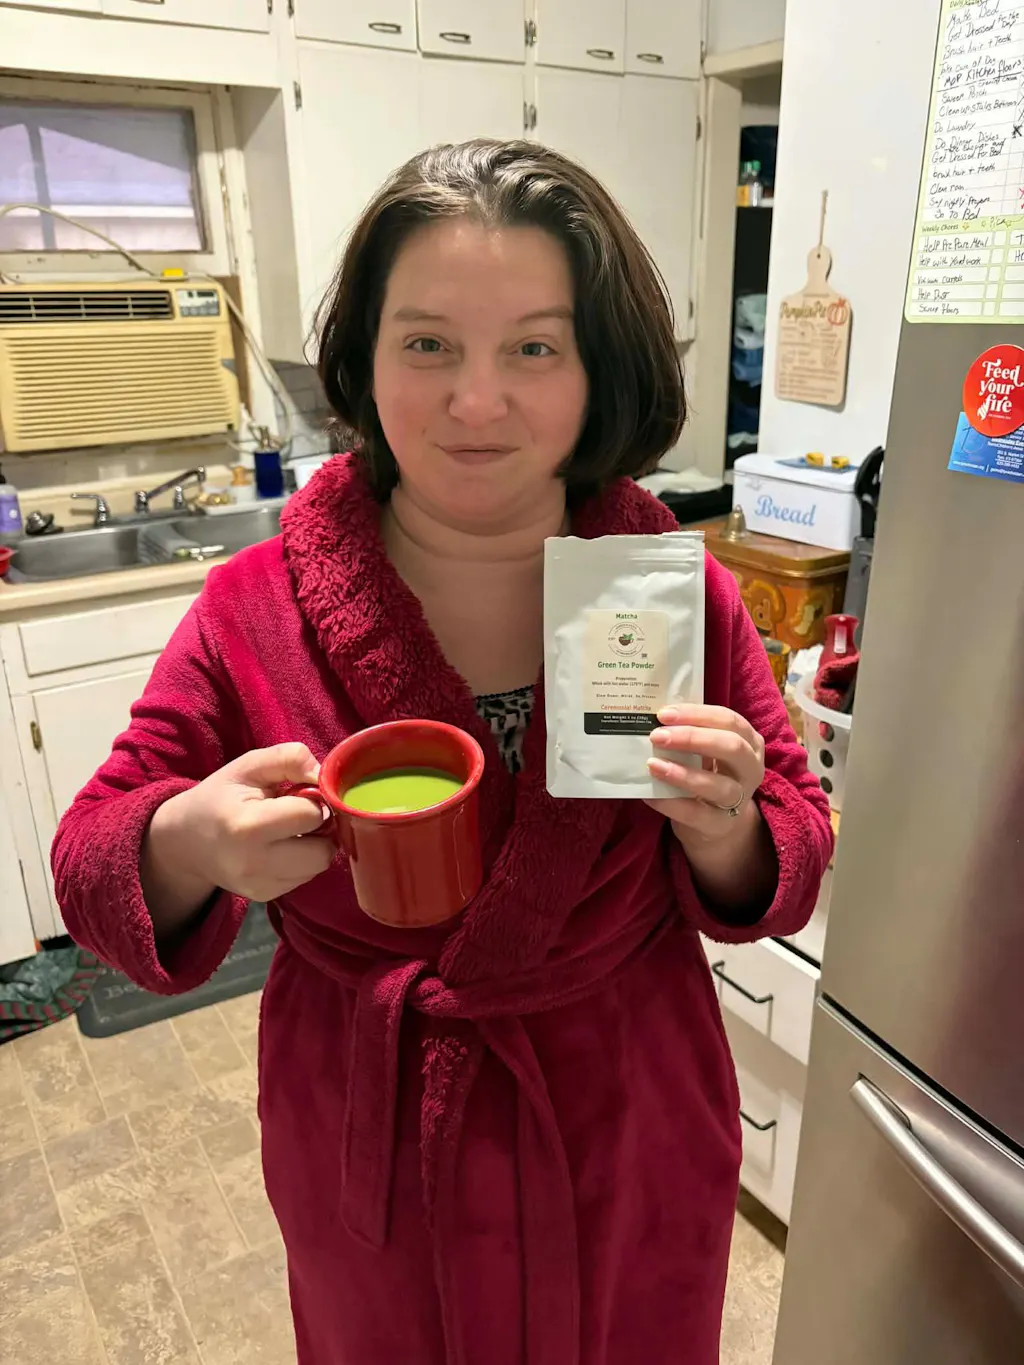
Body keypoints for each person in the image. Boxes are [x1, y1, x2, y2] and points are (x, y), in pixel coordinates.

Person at [53, 140, 833, 1365]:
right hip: (371, 1142)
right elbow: (92, 860)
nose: (477, 402)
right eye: (426, 344)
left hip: (628, 1122)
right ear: (363, 358)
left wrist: (728, 827)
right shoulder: (256, 608)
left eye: (535, 348)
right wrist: (187, 841)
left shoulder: (668, 593)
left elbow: (790, 848)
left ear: (598, 369)